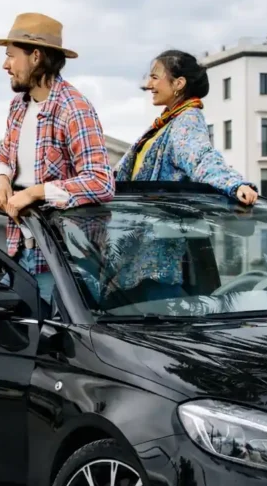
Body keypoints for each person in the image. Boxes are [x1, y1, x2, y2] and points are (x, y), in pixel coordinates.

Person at [107, 50, 258, 303]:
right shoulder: (168, 121)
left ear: (178, 84)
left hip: (158, 258)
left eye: (155, 77)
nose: (149, 85)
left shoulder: (186, 120)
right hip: (138, 253)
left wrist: (233, 184)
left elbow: (200, 156)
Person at [0, 13, 115, 302]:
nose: (5, 65)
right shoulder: (18, 107)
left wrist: (34, 193)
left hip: (65, 266)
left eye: (11, 56)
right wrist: (0, 178)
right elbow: (4, 155)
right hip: (18, 253)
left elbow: (101, 182)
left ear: (35, 57)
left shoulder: (74, 109)